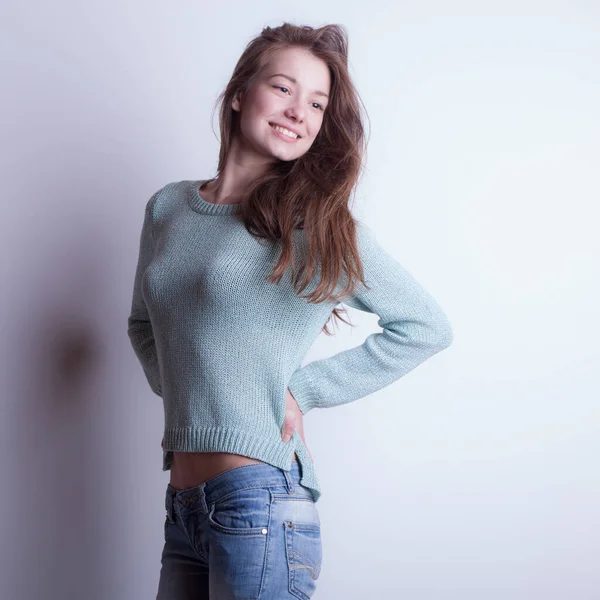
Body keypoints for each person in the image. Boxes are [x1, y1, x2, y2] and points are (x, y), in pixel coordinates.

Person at [127, 21, 453, 600]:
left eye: (317, 103)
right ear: (237, 94)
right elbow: (143, 325)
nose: (299, 111)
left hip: (262, 500)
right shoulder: (168, 208)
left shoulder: (314, 223)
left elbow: (425, 326)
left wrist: (304, 389)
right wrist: (189, 391)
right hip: (182, 507)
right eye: (283, 88)